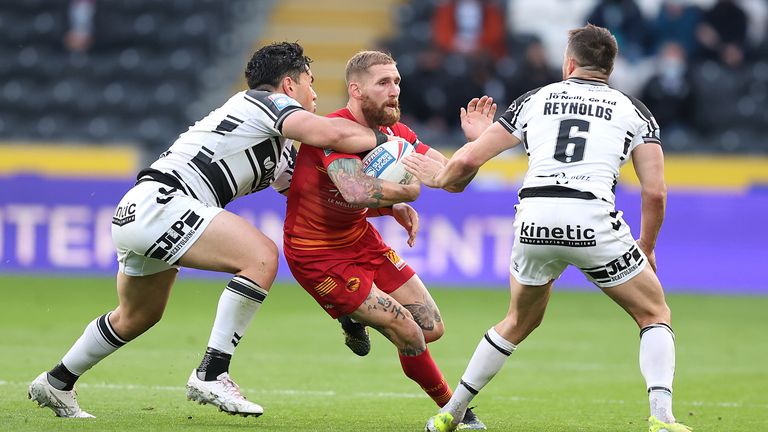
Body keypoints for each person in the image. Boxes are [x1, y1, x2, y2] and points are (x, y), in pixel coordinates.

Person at [28, 41, 394, 419]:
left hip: (139, 208)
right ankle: (212, 372)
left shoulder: (277, 142)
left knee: (138, 315)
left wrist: (389, 206)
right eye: (309, 82)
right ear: (288, 85)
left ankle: (56, 381)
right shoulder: (267, 103)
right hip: (166, 202)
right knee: (261, 256)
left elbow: (313, 195)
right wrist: (388, 140)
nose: (314, 93)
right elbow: (330, 134)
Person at [405, 24, 692, 432]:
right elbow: (655, 192)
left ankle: (452, 410)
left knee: (517, 322)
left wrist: (444, 175)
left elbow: (467, 164)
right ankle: (662, 418)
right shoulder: (635, 111)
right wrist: (647, 245)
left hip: (533, 218)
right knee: (654, 312)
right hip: (592, 218)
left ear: (569, 62)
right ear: (610, 67)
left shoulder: (534, 100)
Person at [281, 50, 496, 428]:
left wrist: (475, 150)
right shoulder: (333, 131)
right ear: (356, 89)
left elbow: (451, 181)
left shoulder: (398, 134)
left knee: (432, 328)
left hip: (360, 239)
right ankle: (457, 412)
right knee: (409, 333)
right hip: (317, 255)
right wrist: (407, 195)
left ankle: (351, 316)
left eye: (396, 81)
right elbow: (356, 191)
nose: (394, 89)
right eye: (384, 83)